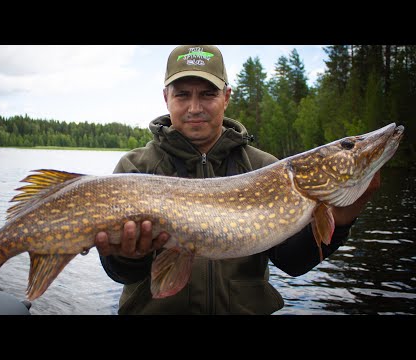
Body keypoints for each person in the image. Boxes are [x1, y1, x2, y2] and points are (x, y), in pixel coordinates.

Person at [94, 45, 380, 315]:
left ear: (226, 97)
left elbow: (293, 263)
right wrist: (130, 256)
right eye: (182, 95)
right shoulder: (135, 167)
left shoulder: (264, 168)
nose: (195, 107)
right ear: (166, 97)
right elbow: (121, 273)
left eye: (208, 94)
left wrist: (341, 220)